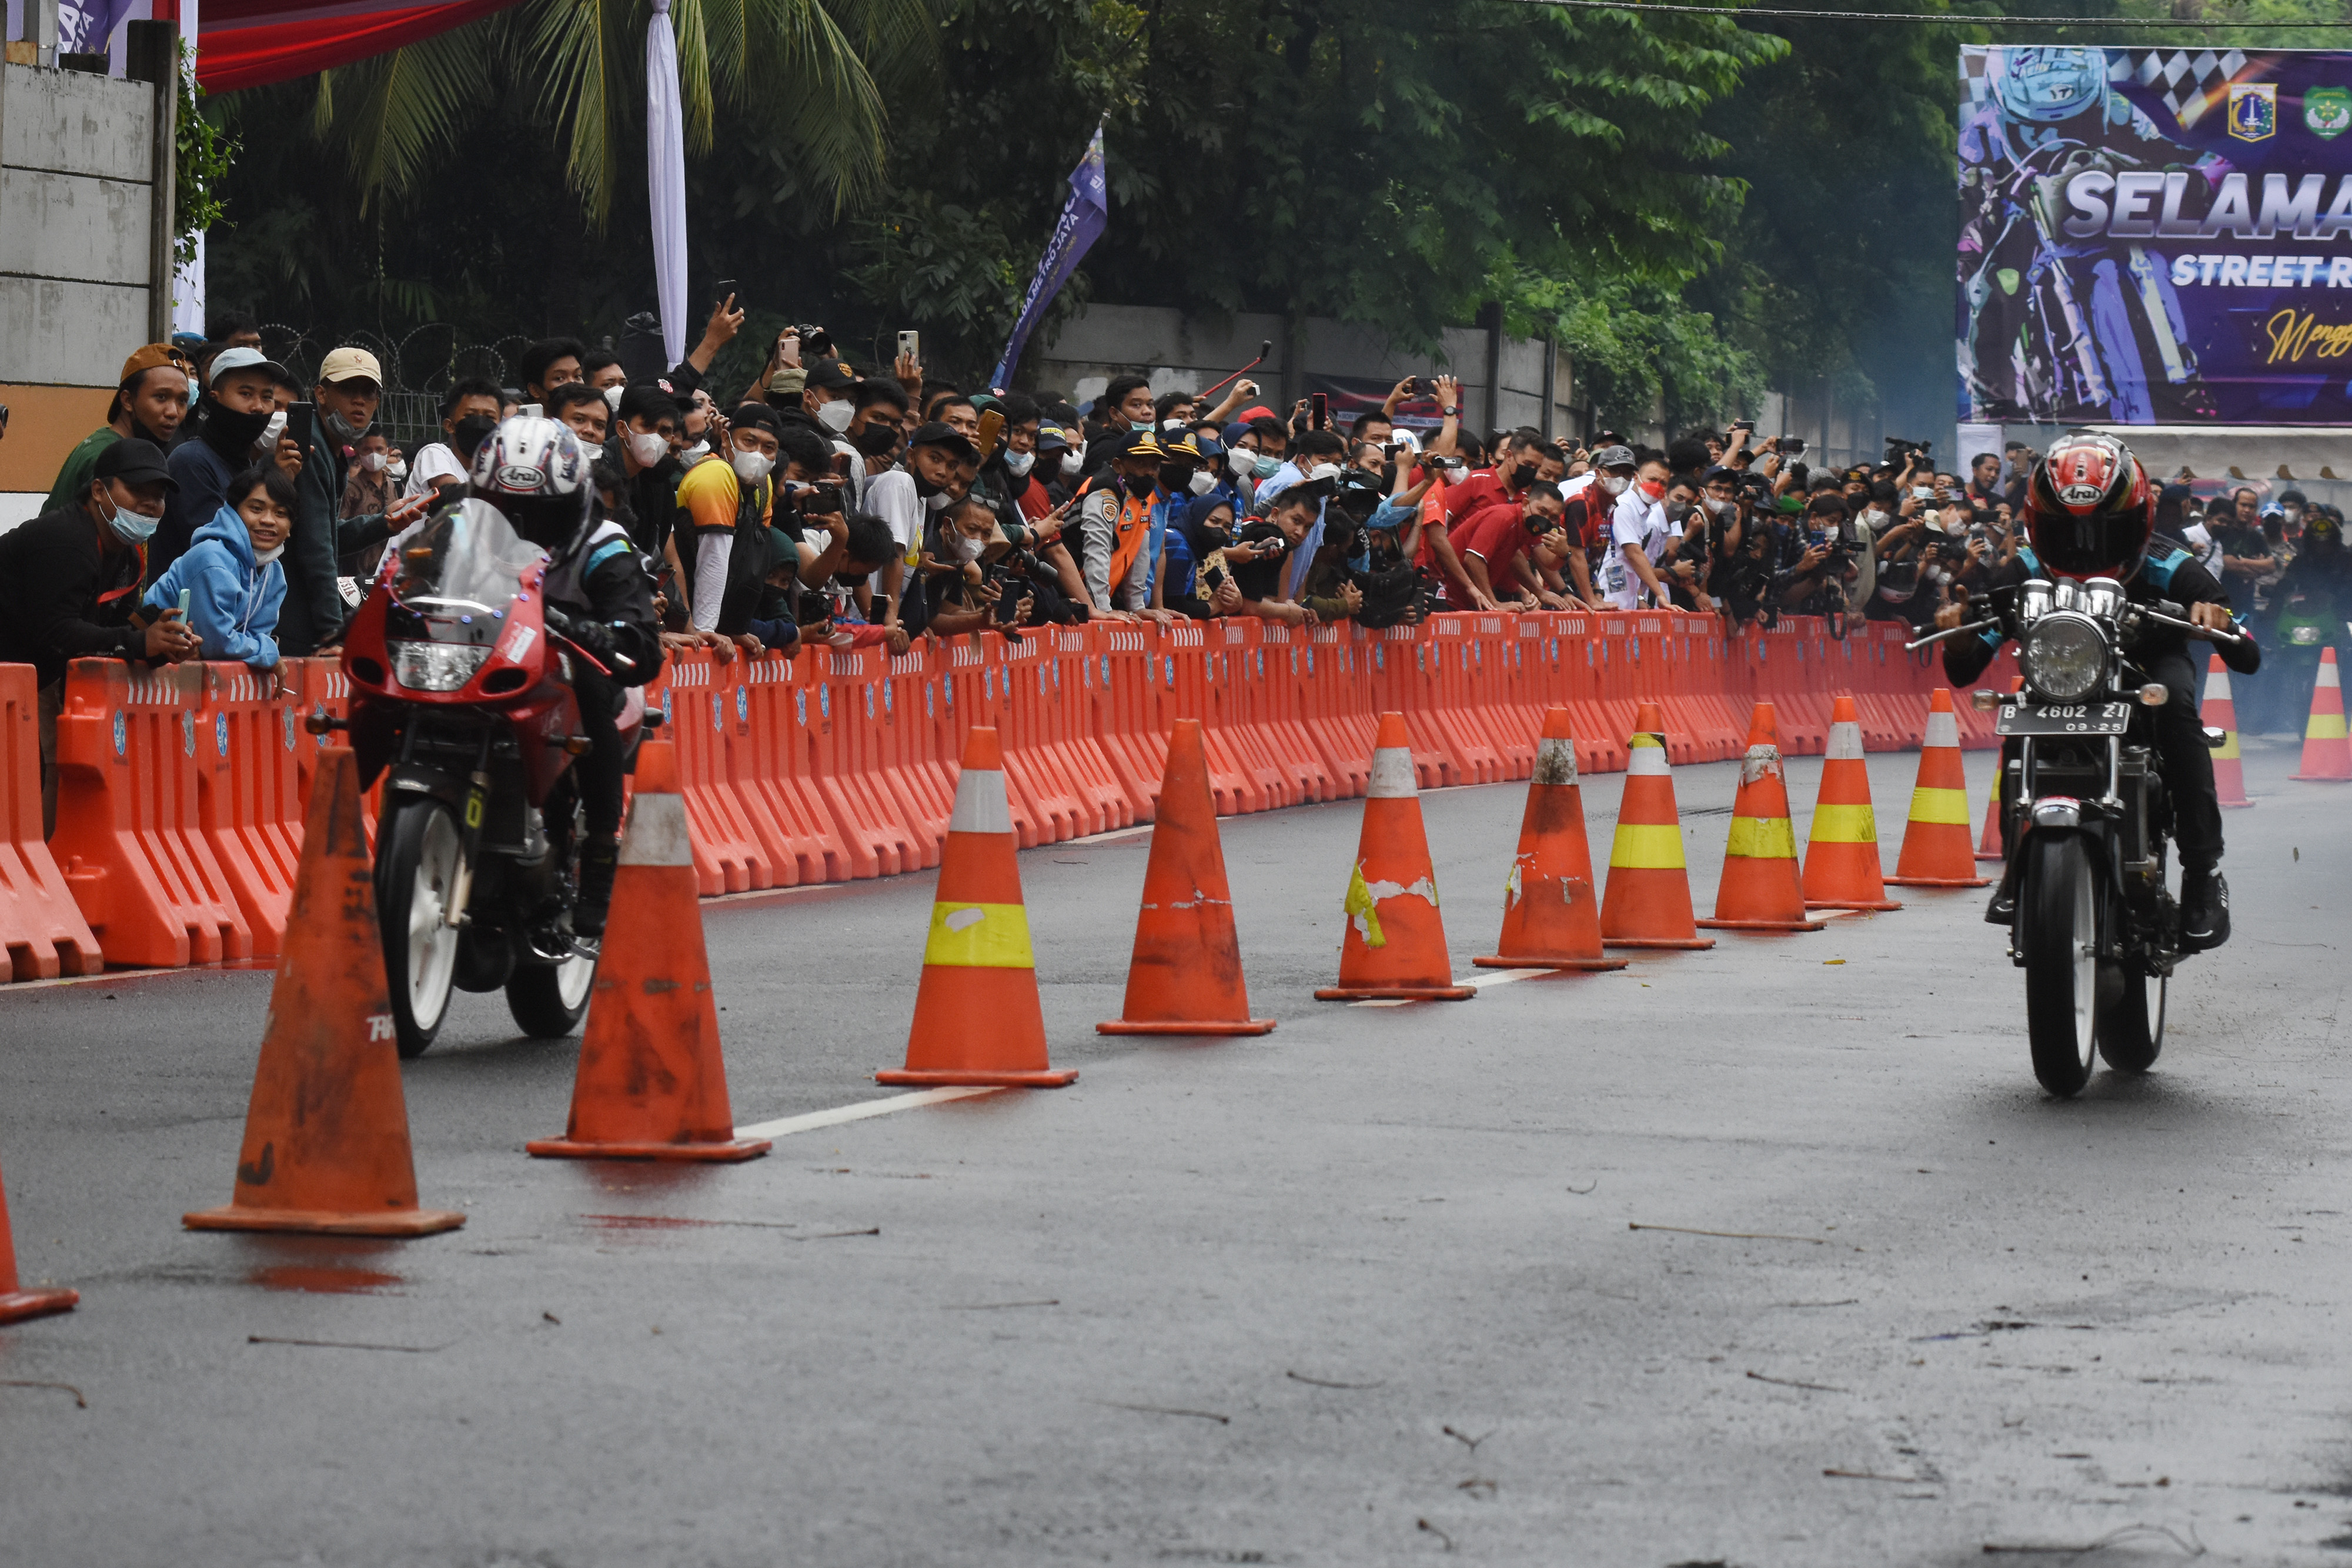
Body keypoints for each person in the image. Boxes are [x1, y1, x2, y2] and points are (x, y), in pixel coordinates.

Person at [1935, 432, 2257, 951]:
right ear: (2040, 527)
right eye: (2067, 533)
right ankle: (2019, 870)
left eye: (2104, 532)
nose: (2085, 547)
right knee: (2020, 718)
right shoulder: (2024, 572)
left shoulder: (2171, 564)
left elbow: (2246, 650)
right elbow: (1966, 667)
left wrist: (2214, 618)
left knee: (2176, 708)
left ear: (2138, 521)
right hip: (2060, 673)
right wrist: (1960, 635)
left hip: (2149, 666)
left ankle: (2202, 873)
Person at [463, 416, 662, 944]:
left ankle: (600, 844)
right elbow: (406, 580)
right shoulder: (461, 530)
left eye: (541, 512)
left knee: (588, 681)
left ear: (574, 501)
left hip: (578, 674)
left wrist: (592, 632)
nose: (521, 524)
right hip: (484, 666)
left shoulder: (605, 546)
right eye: (505, 510)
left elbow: (642, 641)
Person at [0, 439, 200, 832]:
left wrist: (164, 642)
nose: (149, 504)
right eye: (137, 491)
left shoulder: (125, 555)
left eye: (158, 496)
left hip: (27, 682)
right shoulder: (68, 540)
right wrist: (140, 642)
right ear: (98, 490)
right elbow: (56, 630)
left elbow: (109, 628)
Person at [288, 346, 427, 653]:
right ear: (321, 394)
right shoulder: (312, 449)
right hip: (288, 617)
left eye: (369, 392)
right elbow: (317, 549)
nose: (360, 400)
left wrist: (384, 524)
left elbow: (325, 534)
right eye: (348, 389)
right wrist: (332, 632)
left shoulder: (330, 448)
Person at [158, 346, 304, 579]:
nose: (258, 407)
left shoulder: (244, 463)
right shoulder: (193, 462)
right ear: (215, 399)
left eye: (267, 397)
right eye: (246, 394)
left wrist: (281, 483)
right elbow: (221, 553)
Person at [141, 465, 291, 675]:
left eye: (281, 513)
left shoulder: (274, 572)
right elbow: (217, 643)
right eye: (256, 509)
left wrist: (263, 650)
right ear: (233, 513)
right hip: (146, 664)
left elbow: (257, 636)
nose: (268, 520)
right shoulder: (211, 557)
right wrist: (268, 653)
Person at [44, 343, 193, 513]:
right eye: (161, 397)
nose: (173, 412)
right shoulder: (107, 457)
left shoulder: (114, 446)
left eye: (182, 401)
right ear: (128, 401)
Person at [403, 377, 505, 500]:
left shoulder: (498, 470)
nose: (480, 423)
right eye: (470, 415)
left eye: (489, 417)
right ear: (450, 426)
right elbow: (450, 494)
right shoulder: (434, 453)